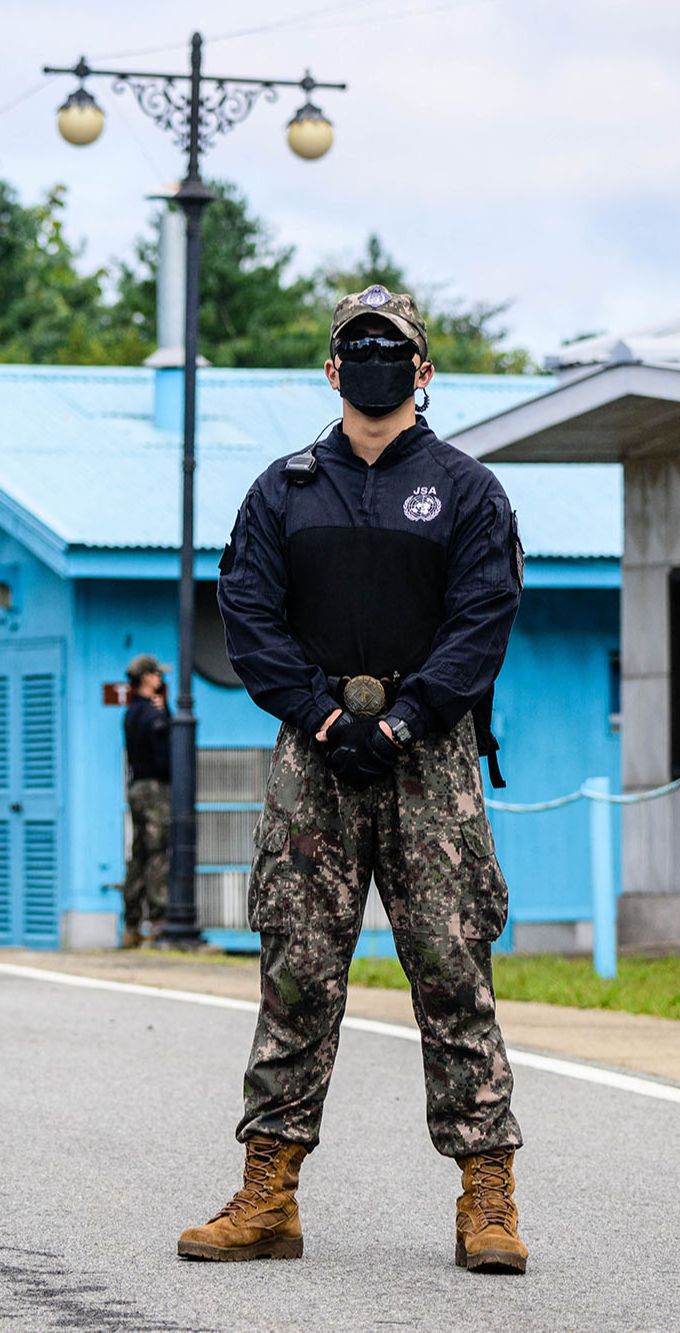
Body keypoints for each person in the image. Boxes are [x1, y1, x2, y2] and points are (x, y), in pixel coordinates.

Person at [178, 285, 528, 1273]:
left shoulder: (465, 490)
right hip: (312, 758)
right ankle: (268, 1194)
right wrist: (323, 715)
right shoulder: (283, 491)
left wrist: (411, 716)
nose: (373, 359)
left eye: (393, 346)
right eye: (355, 346)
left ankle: (487, 1199)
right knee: (295, 972)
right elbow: (249, 618)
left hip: (435, 757)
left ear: (423, 369)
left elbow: (482, 620)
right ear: (332, 369)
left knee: (455, 970)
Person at [121, 653, 171, 949]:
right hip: (155, 789)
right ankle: (158, 922)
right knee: (158, 852)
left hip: (136, 786)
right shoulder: (154, 716)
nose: (161, 679)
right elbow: (166, 754)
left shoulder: (130, 713)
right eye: (157, 674)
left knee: (138, 852)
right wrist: (167, 713)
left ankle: (131, 924)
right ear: (147, 677)